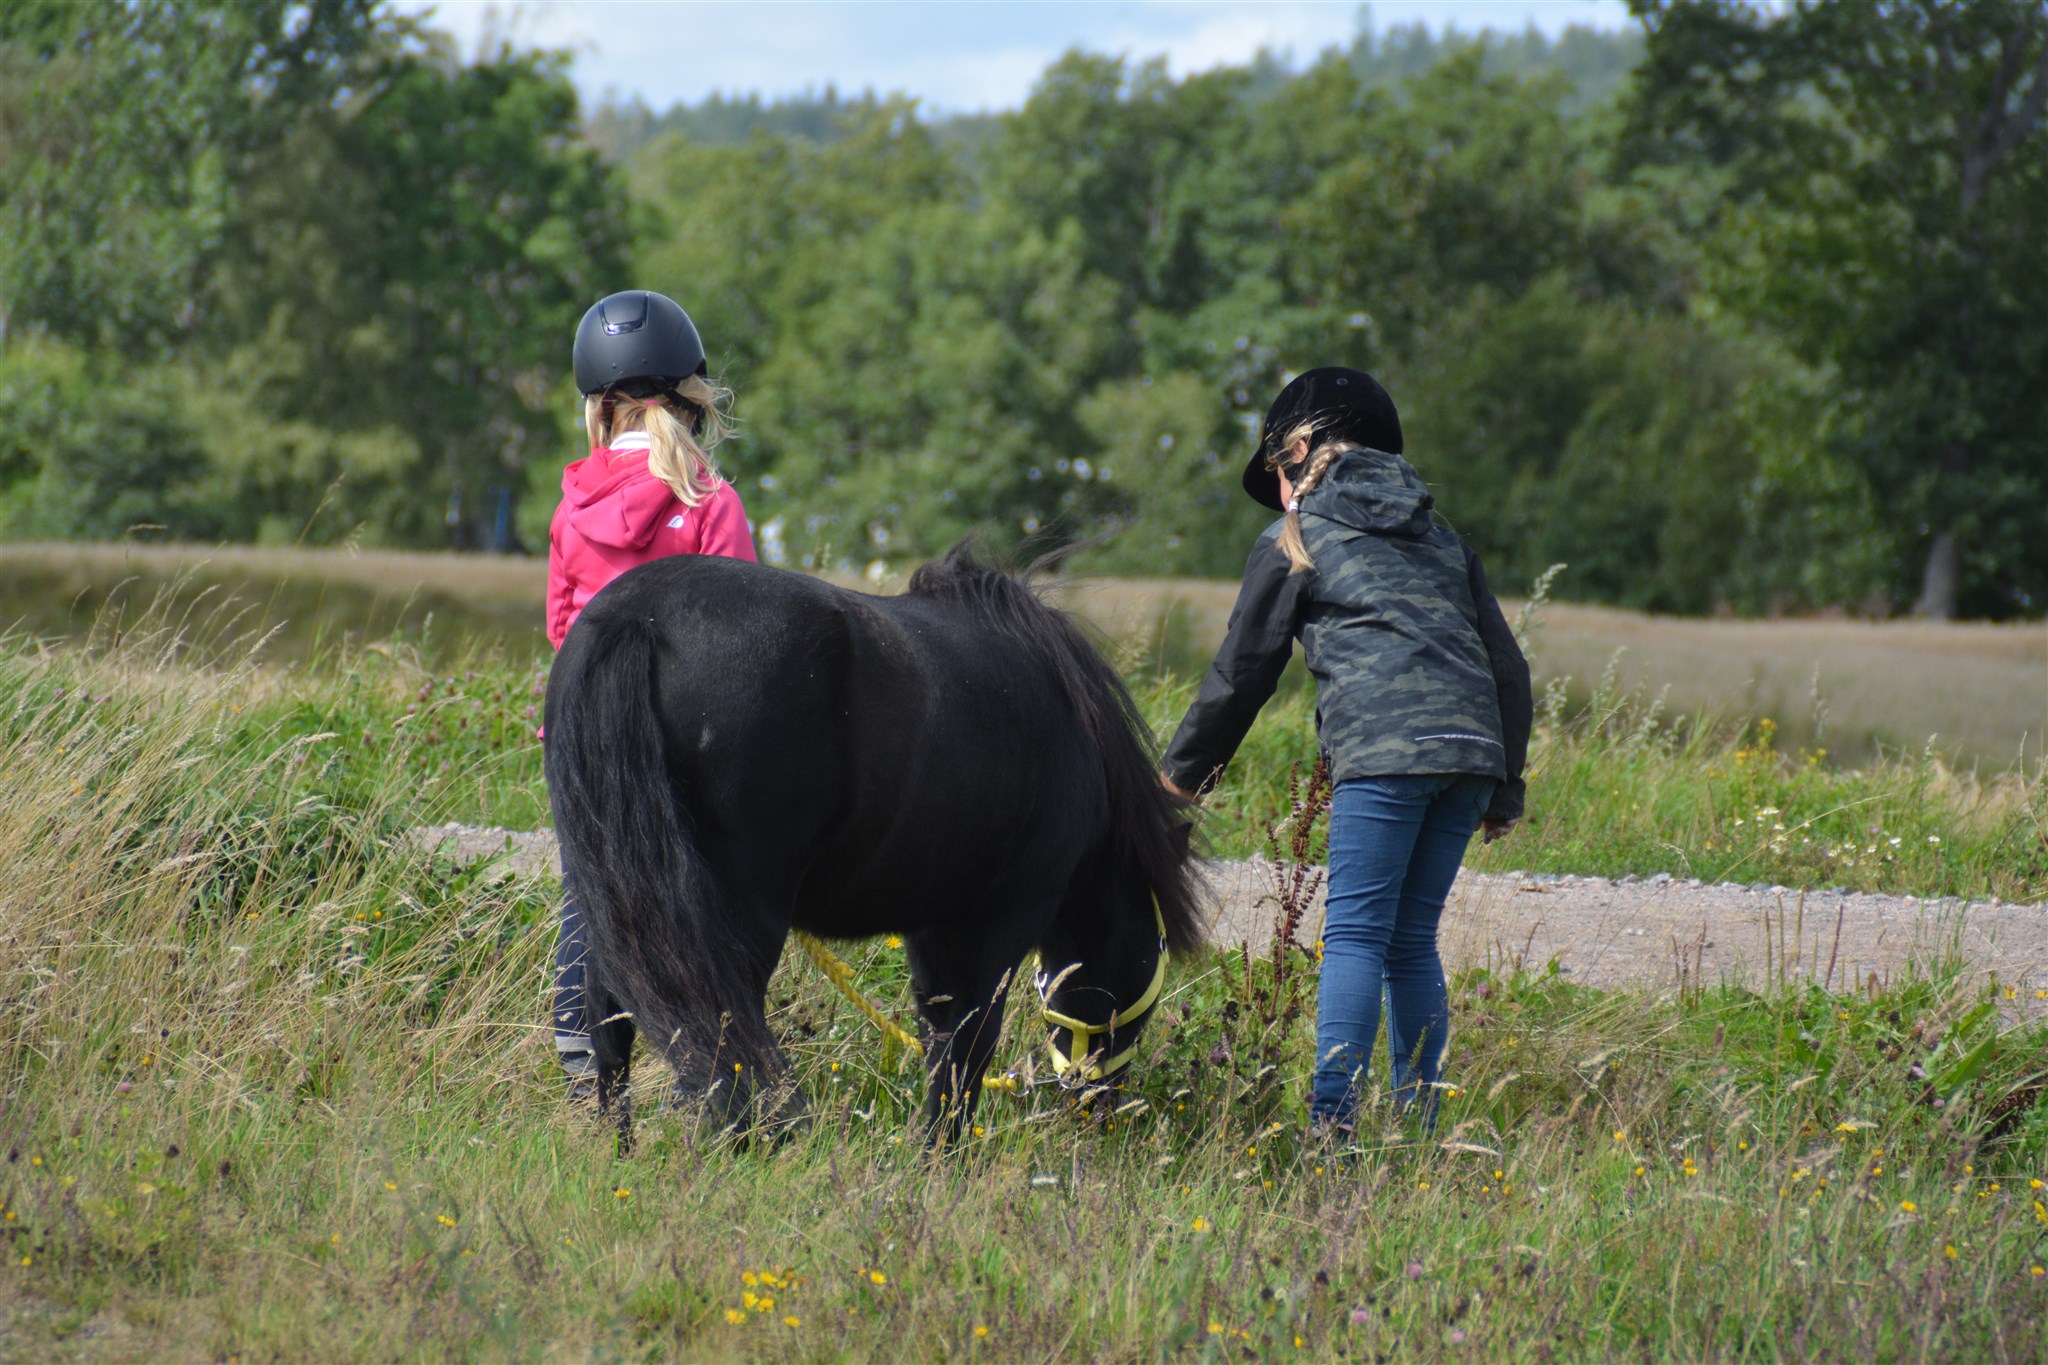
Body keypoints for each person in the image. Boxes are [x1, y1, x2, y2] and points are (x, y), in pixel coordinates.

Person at [1159, 367, 1532, 1133]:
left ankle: (1333, 1127)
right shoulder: (1443, 537)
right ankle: (1422, 1129)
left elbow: (1241, 673)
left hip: (1385, 753)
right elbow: (1508, 667)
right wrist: (1507, 783)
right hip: (1471, 752)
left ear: (1298, 450)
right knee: (1410, 940)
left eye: (1278, 475)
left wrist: (1178, 779)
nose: (1280, 493)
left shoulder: (1295, 536)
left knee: (1356, 935)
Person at [547, 288, 756, 1099]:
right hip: (690, 746)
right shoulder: (711, 504)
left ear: (599, 411)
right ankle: (705, 1072)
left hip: (586, 742)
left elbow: (564, 630)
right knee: (699, 894)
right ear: (690, 405)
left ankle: (586, 1070)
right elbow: (743, 645)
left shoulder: (571, 512)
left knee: (590, 894)